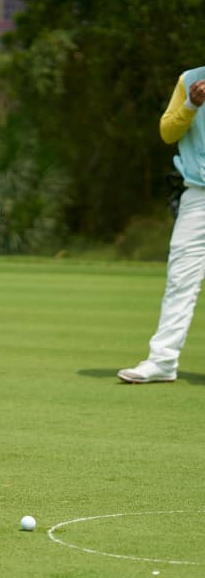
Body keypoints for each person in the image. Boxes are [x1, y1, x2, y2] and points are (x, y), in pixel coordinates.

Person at [118, 67, 205, 384]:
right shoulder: (190, 79)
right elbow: (168, 132)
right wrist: (191, 105)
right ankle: (163, 361)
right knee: (180, 279)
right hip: (198, 195)